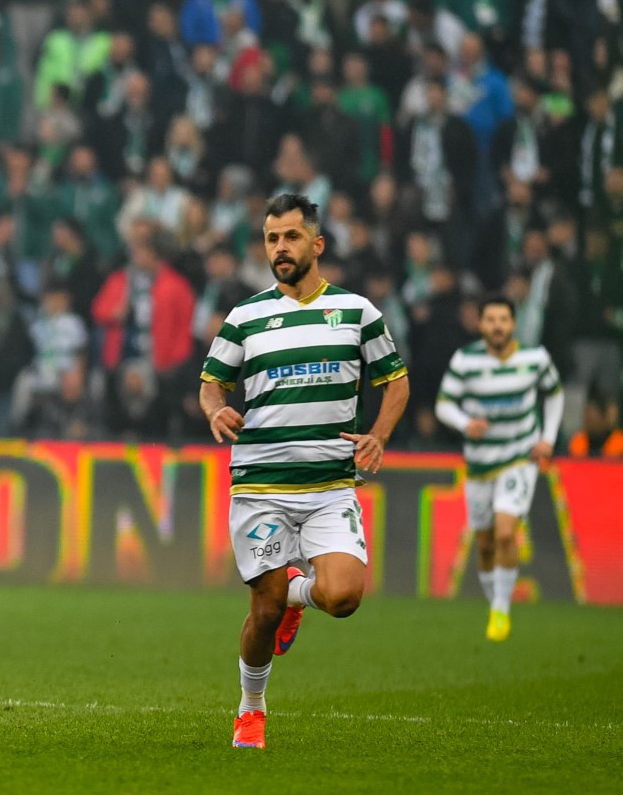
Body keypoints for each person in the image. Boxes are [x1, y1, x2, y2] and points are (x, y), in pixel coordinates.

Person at [199, 192, 410, 750]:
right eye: (271, 238)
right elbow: (211, 383)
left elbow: (396, 381)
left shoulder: (357, 312)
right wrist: (215, 409)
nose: (280, 248)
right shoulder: (245, 317)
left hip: (328, 487)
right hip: (261, 487)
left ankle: (300, 595)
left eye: (291, 237)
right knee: (264, 610)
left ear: (317, 244)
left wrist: (379, 434)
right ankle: (251, 708)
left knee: (343, 597)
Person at [434, 296, 563, 641]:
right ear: (480, 324)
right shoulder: (465, 360)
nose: (497, 326)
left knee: (506, 533)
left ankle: (501, 610)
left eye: (503, 319)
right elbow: (444, 405)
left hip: (519, 456)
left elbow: (555, 393)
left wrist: (547, 438)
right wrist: (465, 423)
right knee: (486, 543)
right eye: (490, 320)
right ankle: (496, 604)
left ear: (513, 324)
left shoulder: (535, 358)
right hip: (480, 462)